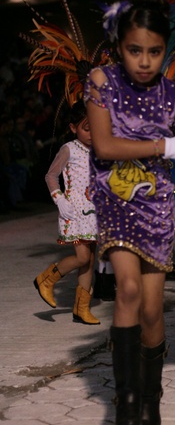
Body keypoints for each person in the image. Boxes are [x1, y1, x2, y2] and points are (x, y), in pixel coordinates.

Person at [84, 0, 175, 425]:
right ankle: (126, 397)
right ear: (119, 46)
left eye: (154, 52)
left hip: (157, 208)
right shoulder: (101, 82)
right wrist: (164, 146)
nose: (144, 61)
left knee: (154, 314)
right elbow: (104, 147)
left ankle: (151, 396)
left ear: (164, 51)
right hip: (115, 200)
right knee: (129, 289)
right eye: (135, 50)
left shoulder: (172, 93)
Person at [33, 100, 100, 324]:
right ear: (73, 128)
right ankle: (46, 279)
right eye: (86, 128)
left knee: (90, 261)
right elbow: (50, 175)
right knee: (82, 257)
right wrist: (58, 198)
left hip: (95, 211)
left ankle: (82, 309)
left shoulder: (101, 149)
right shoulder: (69, 149)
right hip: (75, 211)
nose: (92, 134)